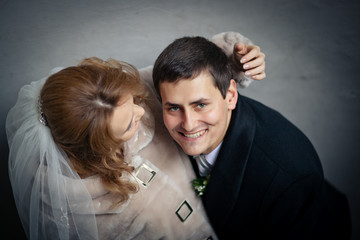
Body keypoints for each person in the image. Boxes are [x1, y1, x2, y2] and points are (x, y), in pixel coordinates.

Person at [6, 32, 265, 239]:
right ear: (99, 147)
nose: (143, 110)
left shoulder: (114, 93)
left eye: (134, 100)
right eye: (130, 124)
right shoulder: (71, 210)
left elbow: (196, 70)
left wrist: (238, 59)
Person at [152, 32, 352, 239]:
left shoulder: (289, 177)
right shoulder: (164, 125)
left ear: (230, 96)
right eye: (174, 108)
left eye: (200, 105)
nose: (189, 124)